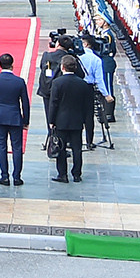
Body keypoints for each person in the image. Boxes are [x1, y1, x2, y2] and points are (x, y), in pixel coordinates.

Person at [46, 54, 96, 183]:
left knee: (61, 148)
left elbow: (54, 103)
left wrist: (51, 120)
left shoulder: (57, 83)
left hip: (61, 120)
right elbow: (87, 106)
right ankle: (77, 174)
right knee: (77, 148)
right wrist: (86, 121)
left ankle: (62, 174)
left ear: (62, 67)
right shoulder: (83, 84)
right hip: (77, 120)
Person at [0, 53, 31, 186]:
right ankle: (17, 176)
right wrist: (26, 120)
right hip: (15, 117)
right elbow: (25, 103)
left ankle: (4, 175)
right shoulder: (19, 81)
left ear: (0, 65)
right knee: (17, 147)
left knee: (1, 147)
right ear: (12, 64)